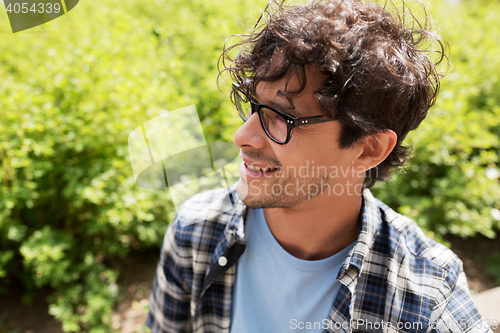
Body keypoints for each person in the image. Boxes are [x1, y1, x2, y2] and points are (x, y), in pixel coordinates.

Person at [146, 0, 492, 332]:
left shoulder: (427, 294)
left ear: (368, 148)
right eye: (253, 106)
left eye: (281, 117)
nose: (242, 136)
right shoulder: (197, 232)